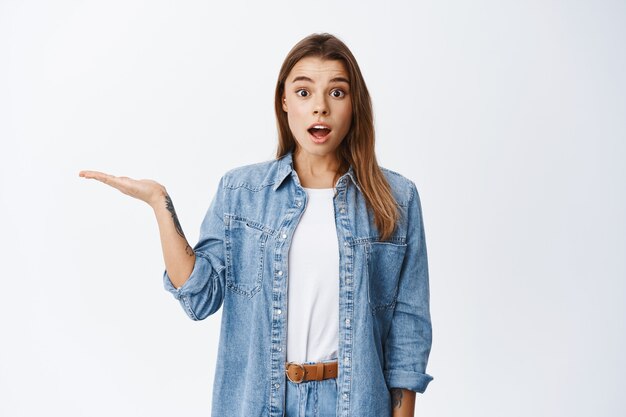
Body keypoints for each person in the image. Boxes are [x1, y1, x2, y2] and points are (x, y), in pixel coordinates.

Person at [80, 33, 433, 417]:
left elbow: (408, 330)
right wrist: (160, 204)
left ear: (354, 104)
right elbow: (200, 298)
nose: (319, 108)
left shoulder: (396, 198)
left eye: (336, 93)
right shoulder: (241, 192)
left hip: (354, 402)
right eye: (303, 92)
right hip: (260, 401)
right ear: (284, 102)